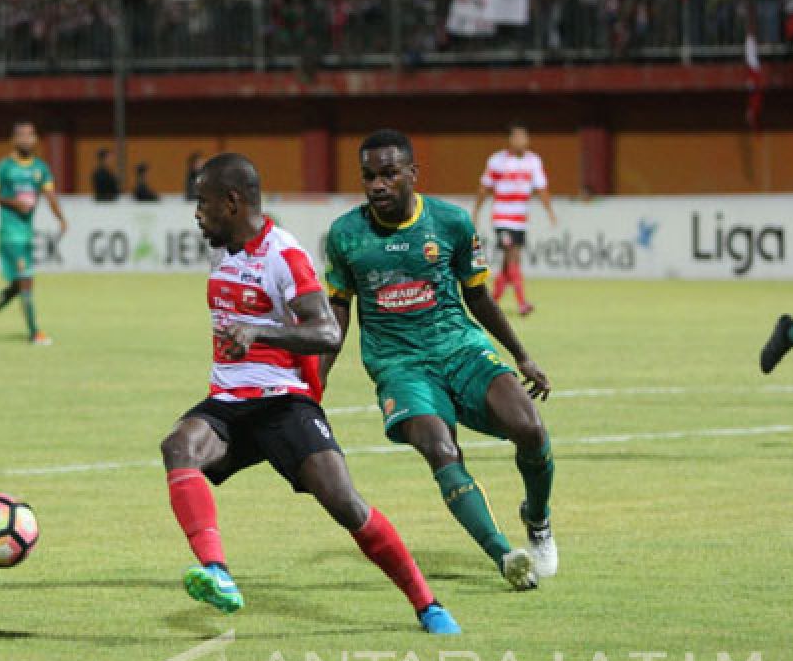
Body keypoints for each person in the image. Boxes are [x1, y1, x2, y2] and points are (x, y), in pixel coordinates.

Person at [159, 152, 461, 635]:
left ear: (232, 202)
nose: (197, 213)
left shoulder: (284, 254)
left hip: (283, 402)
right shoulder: (223, 248)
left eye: (204, 202)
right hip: (230, 402)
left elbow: (328, 333)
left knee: (345, 504)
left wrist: (261, 334)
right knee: (179, 446)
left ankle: (427, 604)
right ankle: (218, 572)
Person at [321, 129, 558, 591]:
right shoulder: (346, 235)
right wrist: (317, 378)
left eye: (389, 174)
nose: (377, 186)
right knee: (439, 448)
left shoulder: (449, 223)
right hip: (399, 365)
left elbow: (478, 296)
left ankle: (537, 518)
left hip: (460, 348)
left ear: (412, 173)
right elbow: (339, 309)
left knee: (529, 427)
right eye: (369, 176)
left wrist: (522, 356)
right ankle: (504, 555)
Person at [0, 121, 67, 346]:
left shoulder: (40, 168)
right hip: (10, 235)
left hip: (26, 234)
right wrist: (13, 203)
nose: (26, 139)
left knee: (17, 287)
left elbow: (50, 194)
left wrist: (60, 217)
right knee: (26, 281)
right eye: (22, 135)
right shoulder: (4, 167)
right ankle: (35, 333)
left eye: (31, 135)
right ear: (13, 140)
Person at [472, 121, 557, 316]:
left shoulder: (533, 161)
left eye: (524, 137)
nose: (521, 140)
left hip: (520, 220)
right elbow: (485, 188)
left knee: (507, 263)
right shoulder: (497, 161)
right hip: (502, 219)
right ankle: (522, 303)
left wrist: (549, 211)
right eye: (517, 137)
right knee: (513, 257)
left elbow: (541, 188)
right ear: (509, 140)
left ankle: (491, 303)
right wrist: (476, 210)